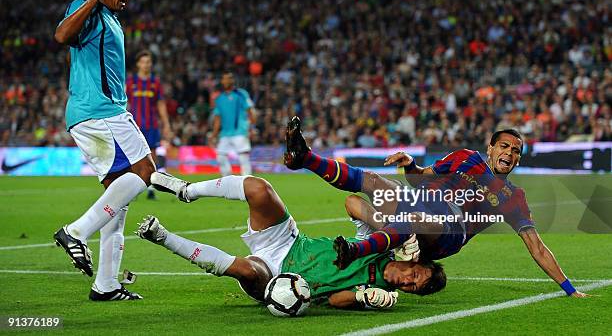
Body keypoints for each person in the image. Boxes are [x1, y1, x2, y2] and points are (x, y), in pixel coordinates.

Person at [283, 116, 589, 298]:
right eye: (505, 146)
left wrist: (569, 288)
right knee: (373, 183)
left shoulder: (513, 197)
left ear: (519, 159)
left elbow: (536, 246)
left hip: (448, 231)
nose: (510, 152)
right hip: (421, 201)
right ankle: (304, 158)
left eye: (516, 151)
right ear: (491, 148)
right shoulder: (464, 157)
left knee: (415, 219)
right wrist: (411, 165)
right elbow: (420, 180)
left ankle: (359, 250)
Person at [141, 172, 446, 308]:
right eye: (415, 275)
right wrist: (392, 233)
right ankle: (187, 191)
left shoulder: (381, 291)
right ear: (415, 261)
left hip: (282, 280)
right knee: (259, 188)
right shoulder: (377, 248)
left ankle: (163, 237)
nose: (407, 282)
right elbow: (353, 202)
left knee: (246, 270)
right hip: (289, 241)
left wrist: (364, 298)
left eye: (412, 288)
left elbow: (337, 300)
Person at [52, 0, 156, 301]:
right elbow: (62, 35)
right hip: (101, 111)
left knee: (118, 200)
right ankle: (75, 232)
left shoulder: (110, 17)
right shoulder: (87, 5)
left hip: (102, 112)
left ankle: (106, 284)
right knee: (144, 170)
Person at [126, 50, 172, 199]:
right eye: (143, 62)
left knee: (151, 157)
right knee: (133, 157)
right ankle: (134, 189)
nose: (146, 64)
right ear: (138, 64)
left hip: (151, 125)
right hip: (134, 125)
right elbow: (124, 102)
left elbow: (160, 104)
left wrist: (166, 124)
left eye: (148, 62)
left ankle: (151, 189)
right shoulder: (130, 82)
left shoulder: (155, 82)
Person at [210, 72, 255, 176]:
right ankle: (228, 181)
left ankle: (247, 182)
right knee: (220, 156)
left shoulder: (241, 94)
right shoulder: (219, 99)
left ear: (232, 80)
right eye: (224, 79)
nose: (226, 81)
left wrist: (251, 128)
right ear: (222, 81)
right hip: (225, 133)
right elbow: (217, 119)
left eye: (228, 78)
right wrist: (214, 135)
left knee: (243, 158)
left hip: (240, 131)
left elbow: (250, 111)